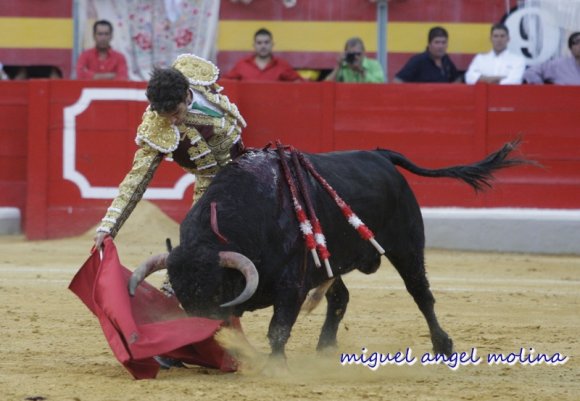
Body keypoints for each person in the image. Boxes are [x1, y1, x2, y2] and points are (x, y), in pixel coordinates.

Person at [93, 54, 246, 251]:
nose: (172, 121)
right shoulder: (157, 126)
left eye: (175, 113)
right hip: (212, 185)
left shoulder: (192, 72)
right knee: (195, 239)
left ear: (186, 94)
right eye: (166, 116)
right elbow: (137, 178)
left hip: (246, 164)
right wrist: (109, 226)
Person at [221, 28, 302, 81]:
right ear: (254, 45)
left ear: (272, 44)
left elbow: (299, 83)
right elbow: (225, 82)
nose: (263, 46)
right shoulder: (242, 65)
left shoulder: (282, 65)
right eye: (259, 43)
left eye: (266, 42)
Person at [394, 26, 461, 83]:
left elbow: (456, 80)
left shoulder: (446, 60)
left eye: (444, 42)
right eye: (437, 42)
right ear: (429, 44)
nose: (440, 46)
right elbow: (397, 81)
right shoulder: (418, 61)